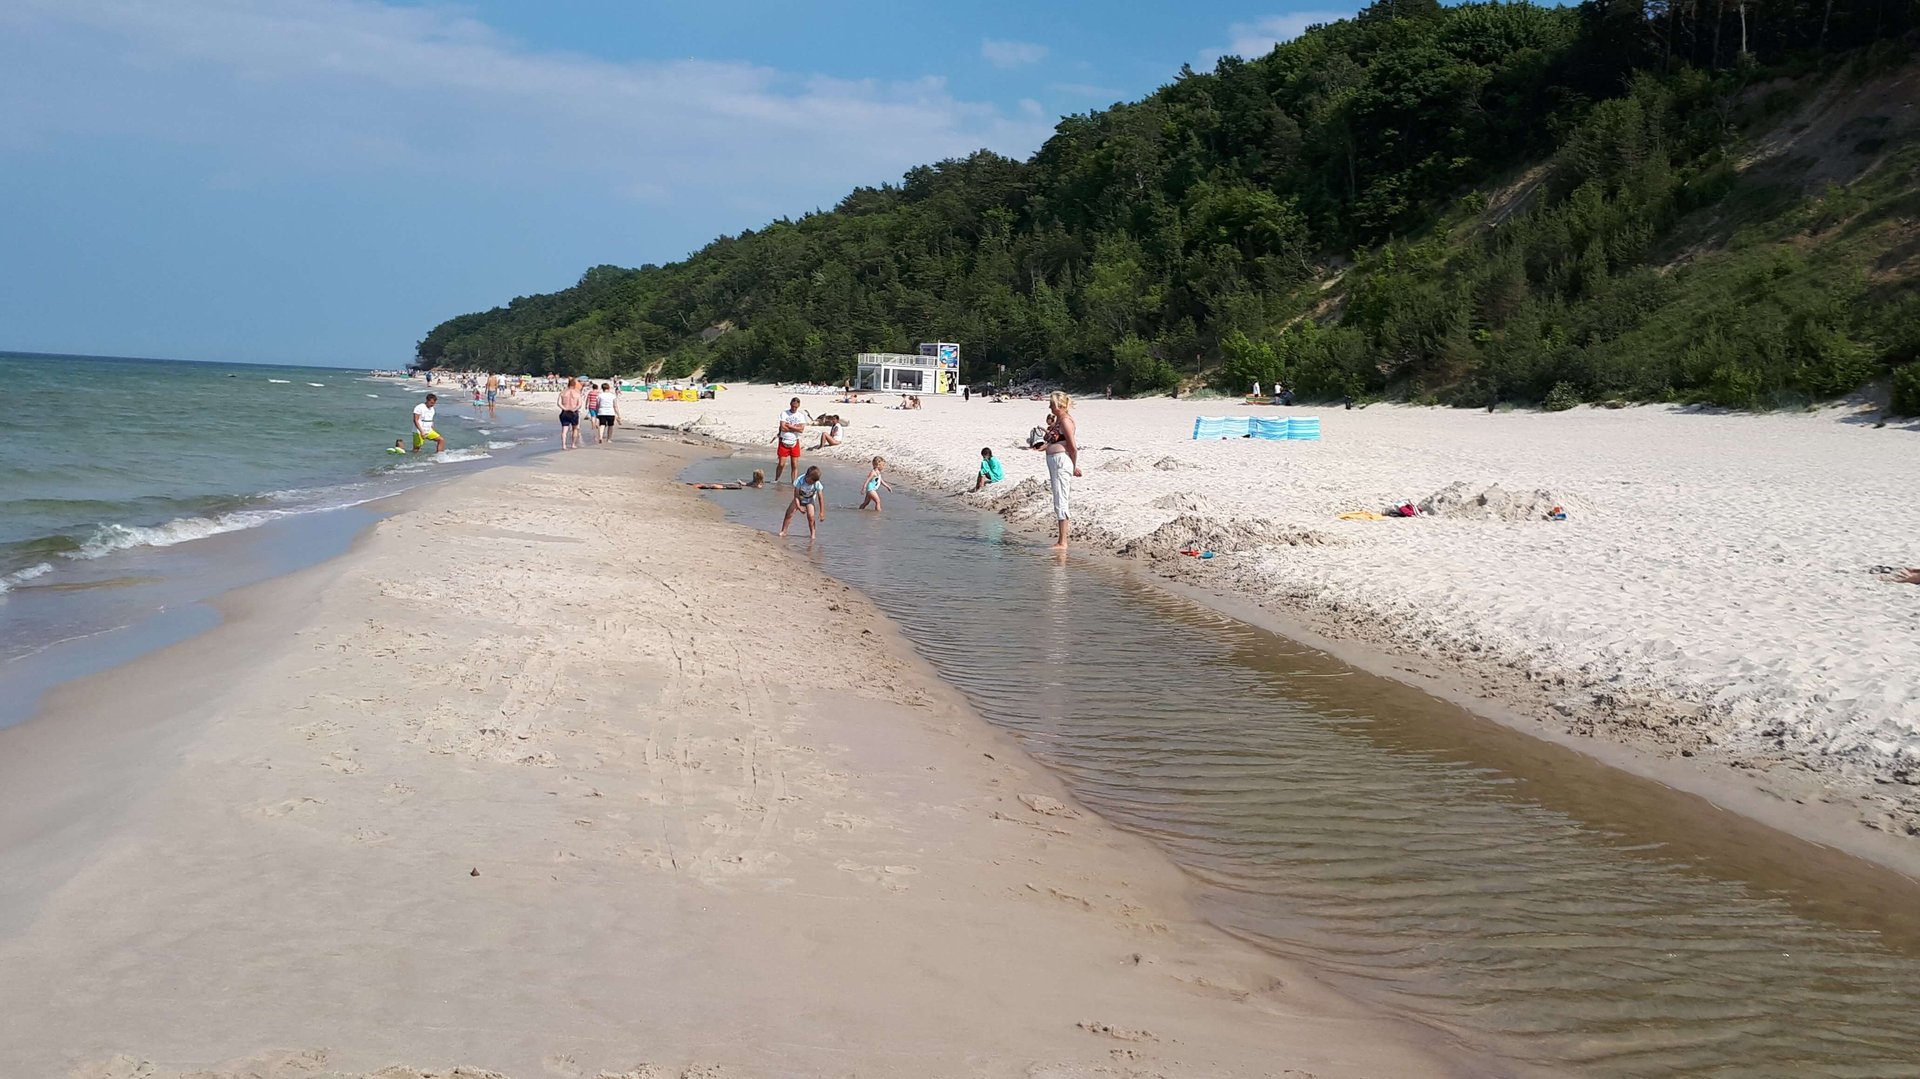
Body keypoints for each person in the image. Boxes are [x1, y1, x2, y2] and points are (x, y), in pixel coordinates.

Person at [1026, 390, 1080, 549]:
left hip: (1061, 461)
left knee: (1061, 499)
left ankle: (1063, 542)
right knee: (1057, 497)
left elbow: (1073, 446)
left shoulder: (1065, 421)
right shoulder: (1059, 420)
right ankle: (1061, 540)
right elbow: (1054, 441)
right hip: (1056, 461)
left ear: (1058, 405)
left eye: (1051, 403)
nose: (1049, 406)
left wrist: (1074, 466)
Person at [779, 465, 827, 539]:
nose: (812, 483)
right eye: (811, 481)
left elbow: (821, 498)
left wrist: (822, 512)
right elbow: (796, 496)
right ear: (806, 476)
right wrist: (799, 507)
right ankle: (784, 531)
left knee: (811, 516)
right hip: (799, 498)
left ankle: (813, 534)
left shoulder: (816, 483)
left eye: (814, 482)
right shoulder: (800, 480)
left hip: (810, 500)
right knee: (789, 513)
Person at [775, 397, 808, 482]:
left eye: (796, 407)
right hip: (784, 440)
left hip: (794, 441)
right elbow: (782, 428)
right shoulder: (784, 413)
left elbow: (801, 430)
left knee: (794, 464)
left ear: (798, 406)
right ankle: (776, 480)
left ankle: (794, 482)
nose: (794, 408)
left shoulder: (801, 416)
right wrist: (795, 428)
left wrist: (790, 426)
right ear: (790, 404)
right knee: (781, 464)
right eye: (793, 406)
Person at [558, 378, 584, 449]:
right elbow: (579, 404)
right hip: (573, 412)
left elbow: (559, 403)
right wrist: (574, 409)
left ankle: (564, 445)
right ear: (575, 384)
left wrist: (564, 408)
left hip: (565, 412)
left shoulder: (563, 392)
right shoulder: (577, 393)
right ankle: (573, 444)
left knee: (564, 430)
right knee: (574, 429)